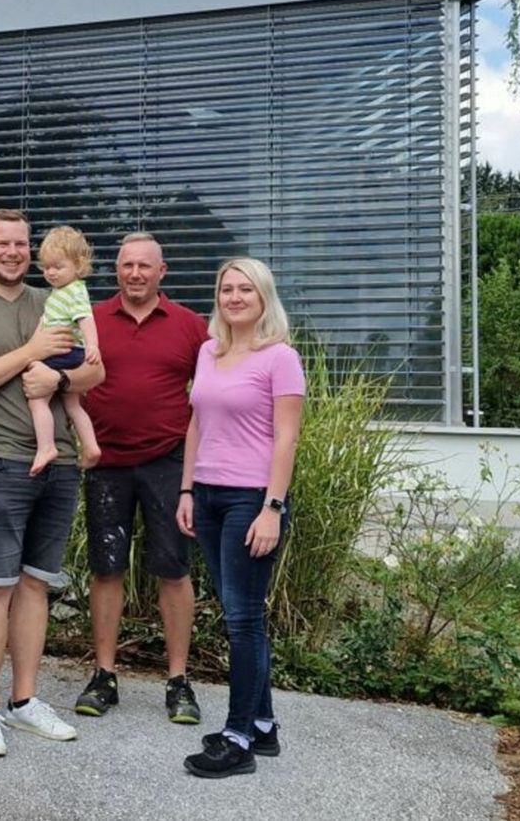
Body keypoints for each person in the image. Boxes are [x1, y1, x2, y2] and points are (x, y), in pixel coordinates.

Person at [0, 209, 105, 757]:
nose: (13, 252)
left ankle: (24, 701)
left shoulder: (54, 296)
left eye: (21, 244)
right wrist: (31, 354)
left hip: (57, 462)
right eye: (2, 243)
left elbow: (96, 370)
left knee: (36, 582)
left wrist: (59, 374)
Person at [75, 232, 208, 725]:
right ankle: (104, 675)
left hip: (168, 462)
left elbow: (214, 388)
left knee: (172, 569)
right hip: (105, 463)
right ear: (117, 269)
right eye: (127, 265)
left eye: (144, 266)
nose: (135, 274)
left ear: (161, 272)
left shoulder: (191, 327)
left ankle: (178, 681)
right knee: (106, 568)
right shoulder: (91, 321)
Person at [178, 258, 304, 778]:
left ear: (263, 298)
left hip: (251, 499)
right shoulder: (210, 351)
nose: (234, 297)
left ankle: (237, 738)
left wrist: (272, 508)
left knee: (243, 618)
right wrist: (187, 489)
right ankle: (265, 725)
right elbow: (195, 425)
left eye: (244, 290)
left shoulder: (281, 358)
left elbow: (287, 438)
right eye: (226, 289)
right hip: (207, 494)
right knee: (238, 612)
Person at [29, 225, 103, 477]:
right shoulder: (60, 292)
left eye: (57, 267)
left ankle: (46, 447)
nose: (50, 272)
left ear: (78, 264)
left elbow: (86, 320)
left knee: (38, 399)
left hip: (63, 353)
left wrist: (92, 345)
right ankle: (91, 446)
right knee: (73, 405)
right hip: (67, 353)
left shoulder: (75, 292)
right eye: (47, 267)